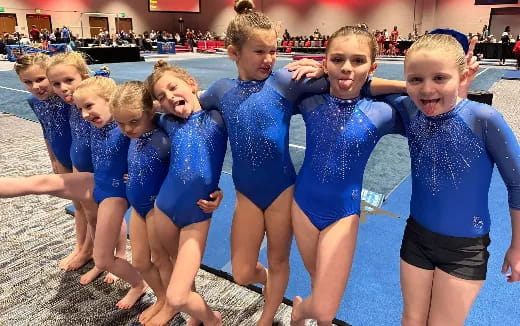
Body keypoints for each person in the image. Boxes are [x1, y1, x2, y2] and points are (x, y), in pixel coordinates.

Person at [384, 32, 520, 326]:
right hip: (417, 238)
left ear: (462, 75)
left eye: (439, 78)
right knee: (411, 319)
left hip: (464, 250)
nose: (427, 89)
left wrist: (518, 246)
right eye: (415, 79)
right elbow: (363, 87)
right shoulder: (411, 110)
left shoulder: (484, 119)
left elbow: (518, 184)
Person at [289, 25, 405, 326]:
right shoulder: (309, 100)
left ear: (372, 67)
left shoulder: (381, 112)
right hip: (301, 205)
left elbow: (430, 113)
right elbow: (272, 88)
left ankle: (301, 310)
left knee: (325, 306)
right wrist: (317, 72)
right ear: (324, 61)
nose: (346, 68)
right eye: (337, 59)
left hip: (342, 213)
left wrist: (402, 86)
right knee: (319, 280)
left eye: (358, 61)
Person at [146, 60, 227, 326]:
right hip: (164, 209)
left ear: (192, 84)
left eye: (173, 88)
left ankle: (212, 320)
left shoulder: (217, 116)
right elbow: (135, 113)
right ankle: (197, 314)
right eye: (162, 96)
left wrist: (221, 192)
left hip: (197, 214)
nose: (169, 97)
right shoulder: (167, 122)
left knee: (178, 295)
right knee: (178, 266)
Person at [46, 52, 124, 284]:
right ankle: (100, 258)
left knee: (112, 216)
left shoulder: (95, 100)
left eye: (69, 81)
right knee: (90, 214)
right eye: (57, 84)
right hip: (79, 164)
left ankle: (119, 256)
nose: (63, 88)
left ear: (84, 75)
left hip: (102, 167)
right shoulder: (70, 105)